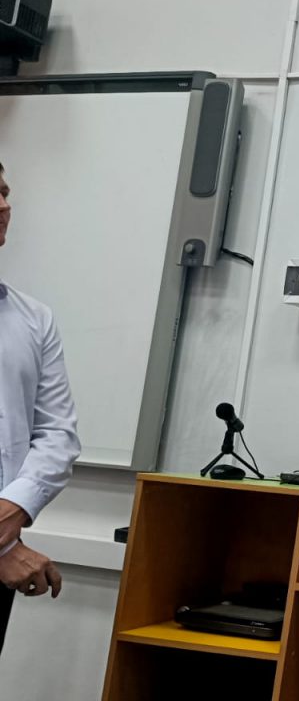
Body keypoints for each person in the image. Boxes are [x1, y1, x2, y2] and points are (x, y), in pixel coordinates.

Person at [0, 160, 78, 654]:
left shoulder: (34, 318)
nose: (4, 205)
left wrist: (15, 511)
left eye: (5, 192)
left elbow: (57, 434)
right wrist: (4, 547)